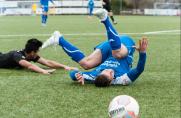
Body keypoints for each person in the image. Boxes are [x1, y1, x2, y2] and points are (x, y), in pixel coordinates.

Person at [41, 9, 148, 87]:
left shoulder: (94, 76)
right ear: (111, 81)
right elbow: (139, 70)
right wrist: (142, 53)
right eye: (110, 73)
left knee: (86, 64)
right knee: (117, 54)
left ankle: (59, 39)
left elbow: (72, 74)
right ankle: (105, 19)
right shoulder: (123, 80)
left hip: (110, 47)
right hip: (124, 45)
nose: (109, 70)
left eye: (104, 71)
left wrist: (77, 75)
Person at [0, 38, 77, 74]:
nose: (38, 53)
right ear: (33, 52)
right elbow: (30, 66)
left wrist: (65, 66)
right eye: (37, 51)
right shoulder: (17, 55)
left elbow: (48, 62)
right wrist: (44, 71)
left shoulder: (31, 55)